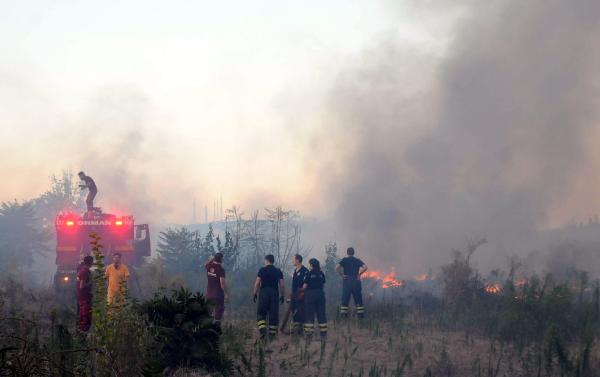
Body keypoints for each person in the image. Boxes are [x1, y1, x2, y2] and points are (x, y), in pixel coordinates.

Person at [253, 254, 285, 340]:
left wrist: (254, 293)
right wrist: (282, 295)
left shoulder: (262, 270)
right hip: (274, 294)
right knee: (273, 315)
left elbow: (257, 283)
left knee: (261, 313)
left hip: (264, 293)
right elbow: (282, 285)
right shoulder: (278, 271)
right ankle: (272, 336)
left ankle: (263, 332)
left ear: (266, 260)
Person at [336, 247, 368, 318]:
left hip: (347, 281)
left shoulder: (344, 260)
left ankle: (344, 317)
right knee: (358, 299)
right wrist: (359, 274)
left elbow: (336, 267)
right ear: (353, 253)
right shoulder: (357, 260)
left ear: (347, 253)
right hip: (356, 281)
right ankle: (360, 317)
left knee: (345, 299)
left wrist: (342, 275)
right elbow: (365, 267)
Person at [301, 258, 327, 341]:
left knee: (310, 315)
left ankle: (309, 336)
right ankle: (323, 335)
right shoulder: (321, 273)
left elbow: (304, 286)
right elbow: (323, 282)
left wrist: (300, 291)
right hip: (320, 295)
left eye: (309, 264)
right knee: (321, 315)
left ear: (311, 265)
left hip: (310, 296)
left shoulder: (308, 273)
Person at [205, 252, 228, 328]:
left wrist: (212, 259)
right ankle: (216, 331)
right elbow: (222, 283)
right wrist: (226, 294)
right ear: (221, 259)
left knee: (209, 313)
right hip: (218, 295)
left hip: (209, 294)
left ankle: (207, 331)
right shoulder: (221, 269)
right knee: (218, 314)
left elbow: (205, 264)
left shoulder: (209, 266)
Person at [290, 254, 308, 335]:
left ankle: (302, 332)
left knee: (301, 313)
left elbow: (307, 284)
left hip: (302, 296)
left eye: (293, 259)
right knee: (294, 313)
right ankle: (296, 332)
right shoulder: (294, 271)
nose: (292, 261)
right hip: (294, 296)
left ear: (297, 260)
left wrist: (302, 293)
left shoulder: (305, 271)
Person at [77, 255, 94, 332]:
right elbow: (82, 286)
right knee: (85, 314)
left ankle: (82, 330)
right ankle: (83, 331)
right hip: (84, 297)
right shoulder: (84, 272)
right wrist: (90, 282)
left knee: (84, 314)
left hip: (84, 297)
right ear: (90, 262)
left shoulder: (85, 271)